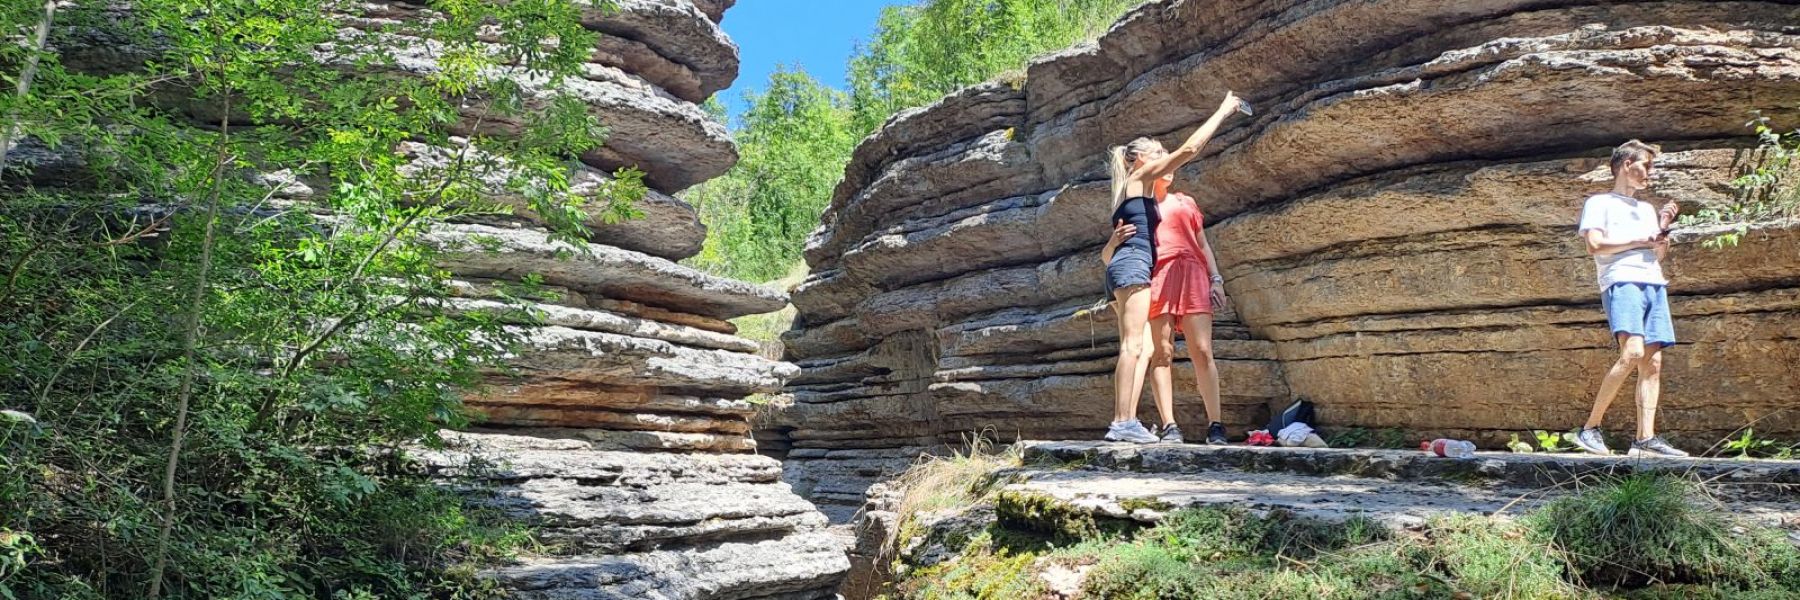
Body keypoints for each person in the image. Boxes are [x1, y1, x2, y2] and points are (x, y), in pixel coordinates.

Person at [1100, 91, 1247, 444]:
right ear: (1139, 161)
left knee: (1143, 347)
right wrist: (1224, 110)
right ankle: (1128, 422)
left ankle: (1127, 421)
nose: (1164, 157)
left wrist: (1215, 277)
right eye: (1157, 152)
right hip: (1143, 268)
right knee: (1140, 347)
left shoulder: (1136, 194)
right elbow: (1189, 151)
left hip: (1142, 267)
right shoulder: (1140, 179)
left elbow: (1108, 258)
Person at [1569, 139, 1688, 458]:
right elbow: (1595, 245)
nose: (1650, 172)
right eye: (1645, 166)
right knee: (1633, 352)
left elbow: (1658, 254)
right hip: (1621, 281)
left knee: (1654, 362)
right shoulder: (1600, 202)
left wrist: (1662, 229)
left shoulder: (1647, 209)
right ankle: (1589, 429)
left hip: (1652, 281)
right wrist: (1640, 239)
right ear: (1626, 165)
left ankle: (1645, 440)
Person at [1145, 189, 1231, 445]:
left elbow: (1201, 242)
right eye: (1157, 155)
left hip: (1193, 271)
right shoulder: (1140, 202)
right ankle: (1169, 425)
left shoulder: (1186, 200)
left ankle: (1215, 424)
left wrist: (1216, 279)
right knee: (1162, 351)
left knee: (1203, 350)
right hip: (1159, 274)